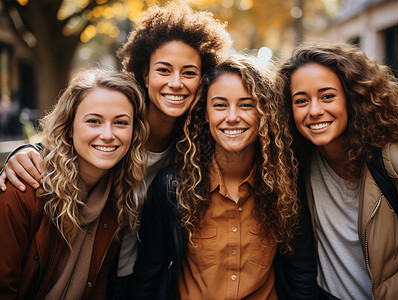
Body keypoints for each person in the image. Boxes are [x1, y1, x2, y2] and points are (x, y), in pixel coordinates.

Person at [0, 2, 232, 297]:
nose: (176, 83)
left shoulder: (200, 142)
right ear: (145, 75)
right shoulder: (118, 124)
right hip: (101, 272)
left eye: (189, 73)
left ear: (202, 79)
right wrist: (26, 150)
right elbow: (68, 143)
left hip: (145, 278)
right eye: (164, 70)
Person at [134, 55, 318, 299]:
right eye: (220, 105)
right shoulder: (172, 188)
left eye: (246, 105)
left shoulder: (285, 186)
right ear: (206, 113)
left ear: (264, 113)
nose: (232, 117)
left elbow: (301, 275)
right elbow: (148, 276)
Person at [279, 42, 398, 299]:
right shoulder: (295, 165)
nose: (314, 111)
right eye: (301, 101)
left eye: (327, 96)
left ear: (353, 97)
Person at [0, 68, 149, 299]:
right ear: (70, 127)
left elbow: (97, 288)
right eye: (94, 121)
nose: (108, 134)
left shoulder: (117, 199)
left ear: (134, 132)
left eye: (120, 122)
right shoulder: (24, 187)